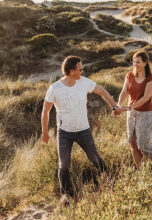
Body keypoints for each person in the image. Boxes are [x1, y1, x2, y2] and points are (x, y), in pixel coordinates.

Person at [41, 55, 123, 206]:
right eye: (80, 69)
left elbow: (102, 92)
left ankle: (109, 182)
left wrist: (114, 106)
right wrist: (45, 132)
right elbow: (45, 111)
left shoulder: (84, 82)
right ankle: (66, 195)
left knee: (95, 159)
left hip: (83, 130)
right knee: (63, 164)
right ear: (71, 71)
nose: (82, 70)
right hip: (64, 132)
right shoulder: (55, 88)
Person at [116, 51, 152, 170]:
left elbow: (146, 97)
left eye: (138, 62)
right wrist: (118, 105)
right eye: (134, 61)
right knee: (132, 142)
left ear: (145, 63)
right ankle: (140, 170)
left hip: (145, 114)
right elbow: (124, 92)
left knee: (143, 145)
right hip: (131, 114)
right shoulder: (130, 75)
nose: (135, 64)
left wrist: (130, 107)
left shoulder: (150, 78)